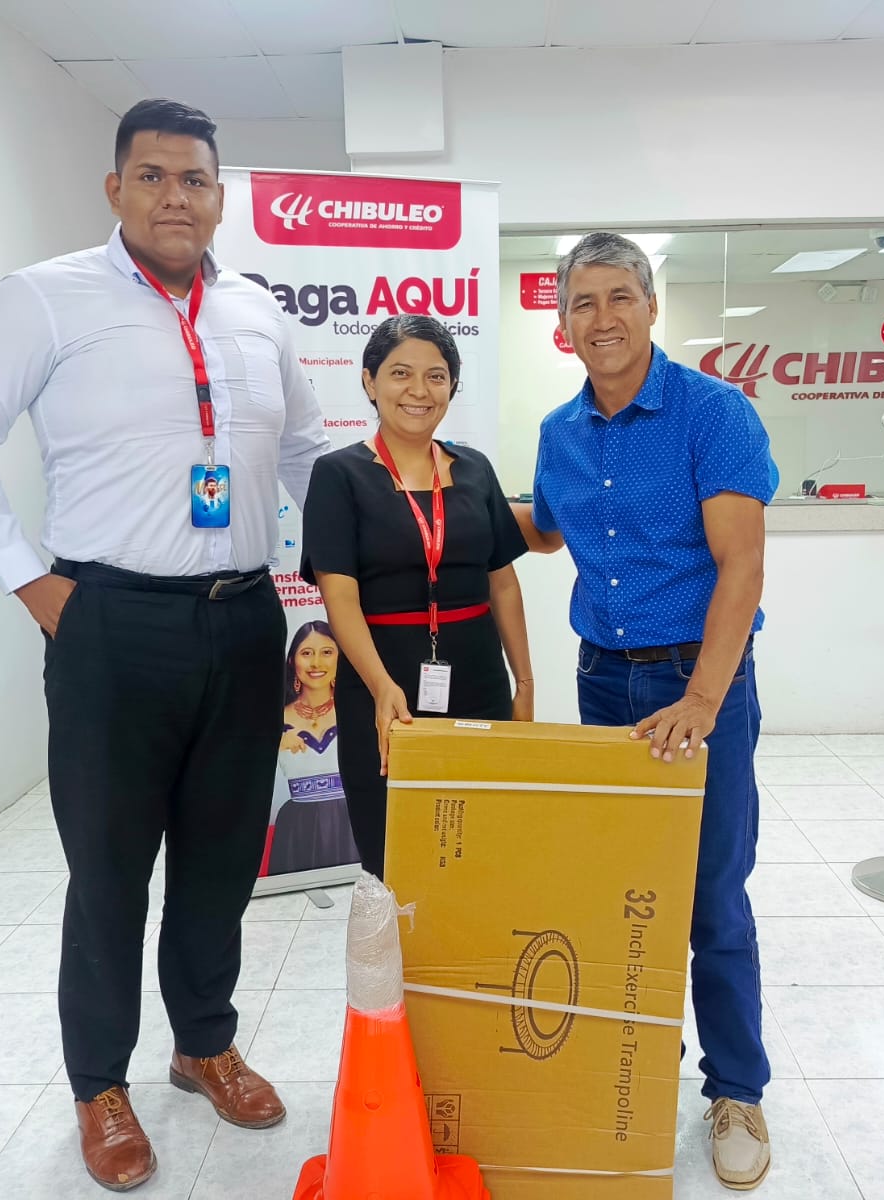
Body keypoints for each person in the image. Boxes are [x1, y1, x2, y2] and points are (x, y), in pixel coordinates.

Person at [0, 98, 328, 1192]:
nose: (173, 197)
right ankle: (99, 1082)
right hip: (109, 622)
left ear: (220, 196)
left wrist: (347, 566)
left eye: (193, 179)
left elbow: (301, 448)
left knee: (221, 856)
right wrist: (30, 579)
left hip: (244, 617)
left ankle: (203, 1044)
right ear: (115, 190)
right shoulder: (44, 299)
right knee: (108, 869)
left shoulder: (255, 310)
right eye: (151, 176)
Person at [513, 232, 779, 1192]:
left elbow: (742, 565)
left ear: (652, 306)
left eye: (620, 297)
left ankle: (736, 1090)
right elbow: (546, 531)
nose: (603, 318)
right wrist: (431, 497)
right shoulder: (560, 433)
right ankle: (634, 1056)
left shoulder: (714, 413)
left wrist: (702, 698)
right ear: (563, 322)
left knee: (711, 893)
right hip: (603, 683)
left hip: (698, 684)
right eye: (583, 302)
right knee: (622, 891)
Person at [301, 315, 534, 877]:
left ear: (452, 386)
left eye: (436, 376)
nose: (419, 390)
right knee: (394, 850)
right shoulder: (338, 474)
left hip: (478, 681)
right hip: (383, 687)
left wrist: (524, 684)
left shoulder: (474, 470)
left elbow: (502, 580)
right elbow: (340, 598)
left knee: (481, 846)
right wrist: (382, 687)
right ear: (369, 381)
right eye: (400, 373)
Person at [268, 620, 359, 874]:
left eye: (327, 652)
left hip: (355, 819)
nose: (316, 663)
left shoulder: (359, 709)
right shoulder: (273, 719)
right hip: (298, 828)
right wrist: (271, 740)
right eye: (306, 653)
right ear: (292, 661)